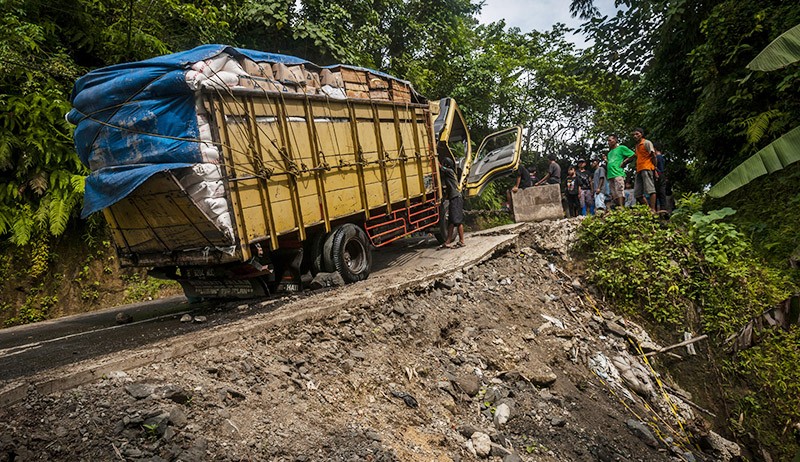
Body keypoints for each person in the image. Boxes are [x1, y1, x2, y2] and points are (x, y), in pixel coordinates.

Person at [621, 127, 657, 211]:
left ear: (642, 134)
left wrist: (655, 168)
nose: (635, 136)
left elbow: (653, 155)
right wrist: (625, 162)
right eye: (633, 134)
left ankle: (653, 209)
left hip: (647, 168)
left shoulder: (646, 143)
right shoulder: (637, 146)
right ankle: (648, 209)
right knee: (637, 194)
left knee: (651, 190)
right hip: (639, 170)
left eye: (637, 134)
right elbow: (634, 156)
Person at [438, 156, 465, 249]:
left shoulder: (449, 171)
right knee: (451, 222)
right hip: (454, 198)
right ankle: (448, 241)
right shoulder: (451, 172)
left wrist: (434, 158)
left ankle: (462, 241)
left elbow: (440, 167)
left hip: (456, 198)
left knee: (457, 221)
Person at [606, 134, 635, 208]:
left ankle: (622, 207)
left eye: (610, 140)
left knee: (619, 190)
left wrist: (624, 162)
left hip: (618, 173)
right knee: (614, 193)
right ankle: (617, 208)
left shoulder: (621, 148)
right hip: (610, 174)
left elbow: (632, 154)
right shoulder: (609, 153)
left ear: (615, 140)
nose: (608, 142)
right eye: (608, 141)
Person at [654, 146, 669, 213]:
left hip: (658, 174)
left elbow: (656, 167)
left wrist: (656, 171)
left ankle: (658, 208)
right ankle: (663, 208)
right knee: (661, 191)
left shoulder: (657, 157)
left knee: (657, 191)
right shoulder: (662, 157)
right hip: (662, 174)